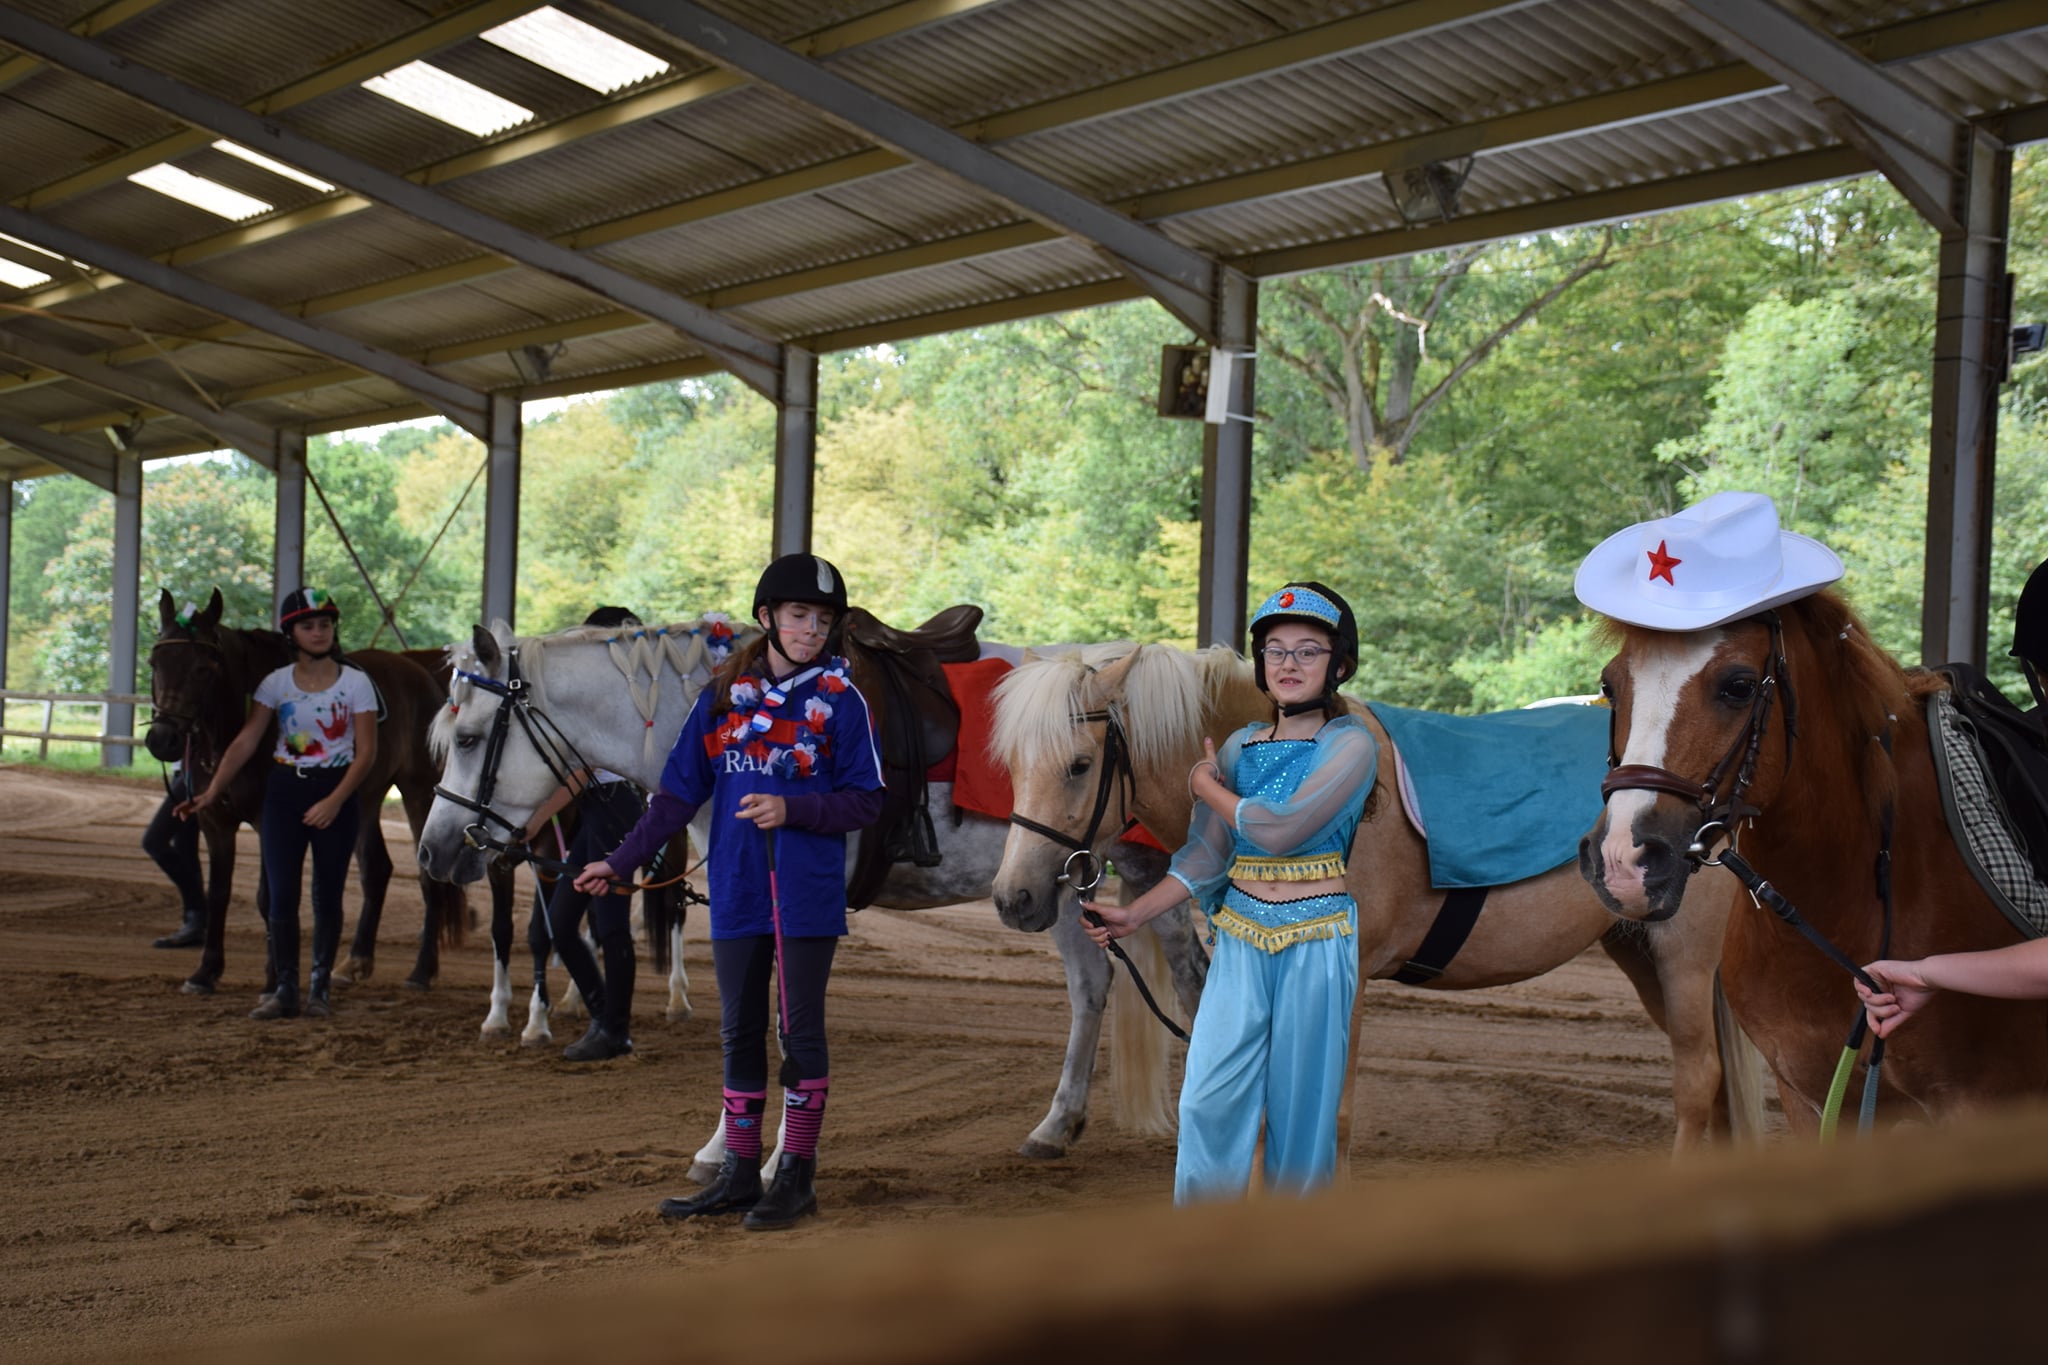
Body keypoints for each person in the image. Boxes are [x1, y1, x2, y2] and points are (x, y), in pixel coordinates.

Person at [574, 555, 883, 1231]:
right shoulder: (723, 693)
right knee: (738, 1030)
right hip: (738, 889)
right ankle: (740, 1172)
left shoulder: (842, 700)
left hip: (804, 895)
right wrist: (619, 862)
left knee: (799, 1033)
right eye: (800, 615)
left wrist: (794, 810)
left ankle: (795, 1175)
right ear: (768, 617)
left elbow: (867, 799)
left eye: (824, 619)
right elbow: (677, 793)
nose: (812, 630)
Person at [1083, 582, 1378, 1203]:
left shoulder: (1351, 745)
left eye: (1307, 651)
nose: (1289, 664)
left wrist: (1203, 784)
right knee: (1206, 1102)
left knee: (1301, 1116)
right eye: (1275, 651)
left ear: (1338, 664)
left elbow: (1279, 830)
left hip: (1317, 942)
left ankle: (1290, 1264)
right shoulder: (1242, 745)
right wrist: (1134, 913)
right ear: (1262, 664)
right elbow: (1207, 856)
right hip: (1240, 939)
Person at [177, 588, 378, 1021]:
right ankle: (285, 987)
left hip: (336, 794)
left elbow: (365, 753)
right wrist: (211, 793)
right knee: (282, 895)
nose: (319, 632)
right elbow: (246, 741)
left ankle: (319, 988)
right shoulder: (275, 684)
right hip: (285, 792)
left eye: (325, 624)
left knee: (327, 896)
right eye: (309, 625)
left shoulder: (357, 684)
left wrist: (335, 800)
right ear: (292, 633)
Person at [521, 606, 650, 1063]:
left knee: (611, 925)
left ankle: (614, 1029)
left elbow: (583, 771)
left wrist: (535, 820)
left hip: (615, 809)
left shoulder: (625, 695)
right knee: (561, 922)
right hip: (598, 810)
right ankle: (605, 1020)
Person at [145, 764, 208, 948]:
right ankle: (195, 921)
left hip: (194, 773)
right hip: (184, 771)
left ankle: (198, 911)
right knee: (185, 848)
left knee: (154, 842)